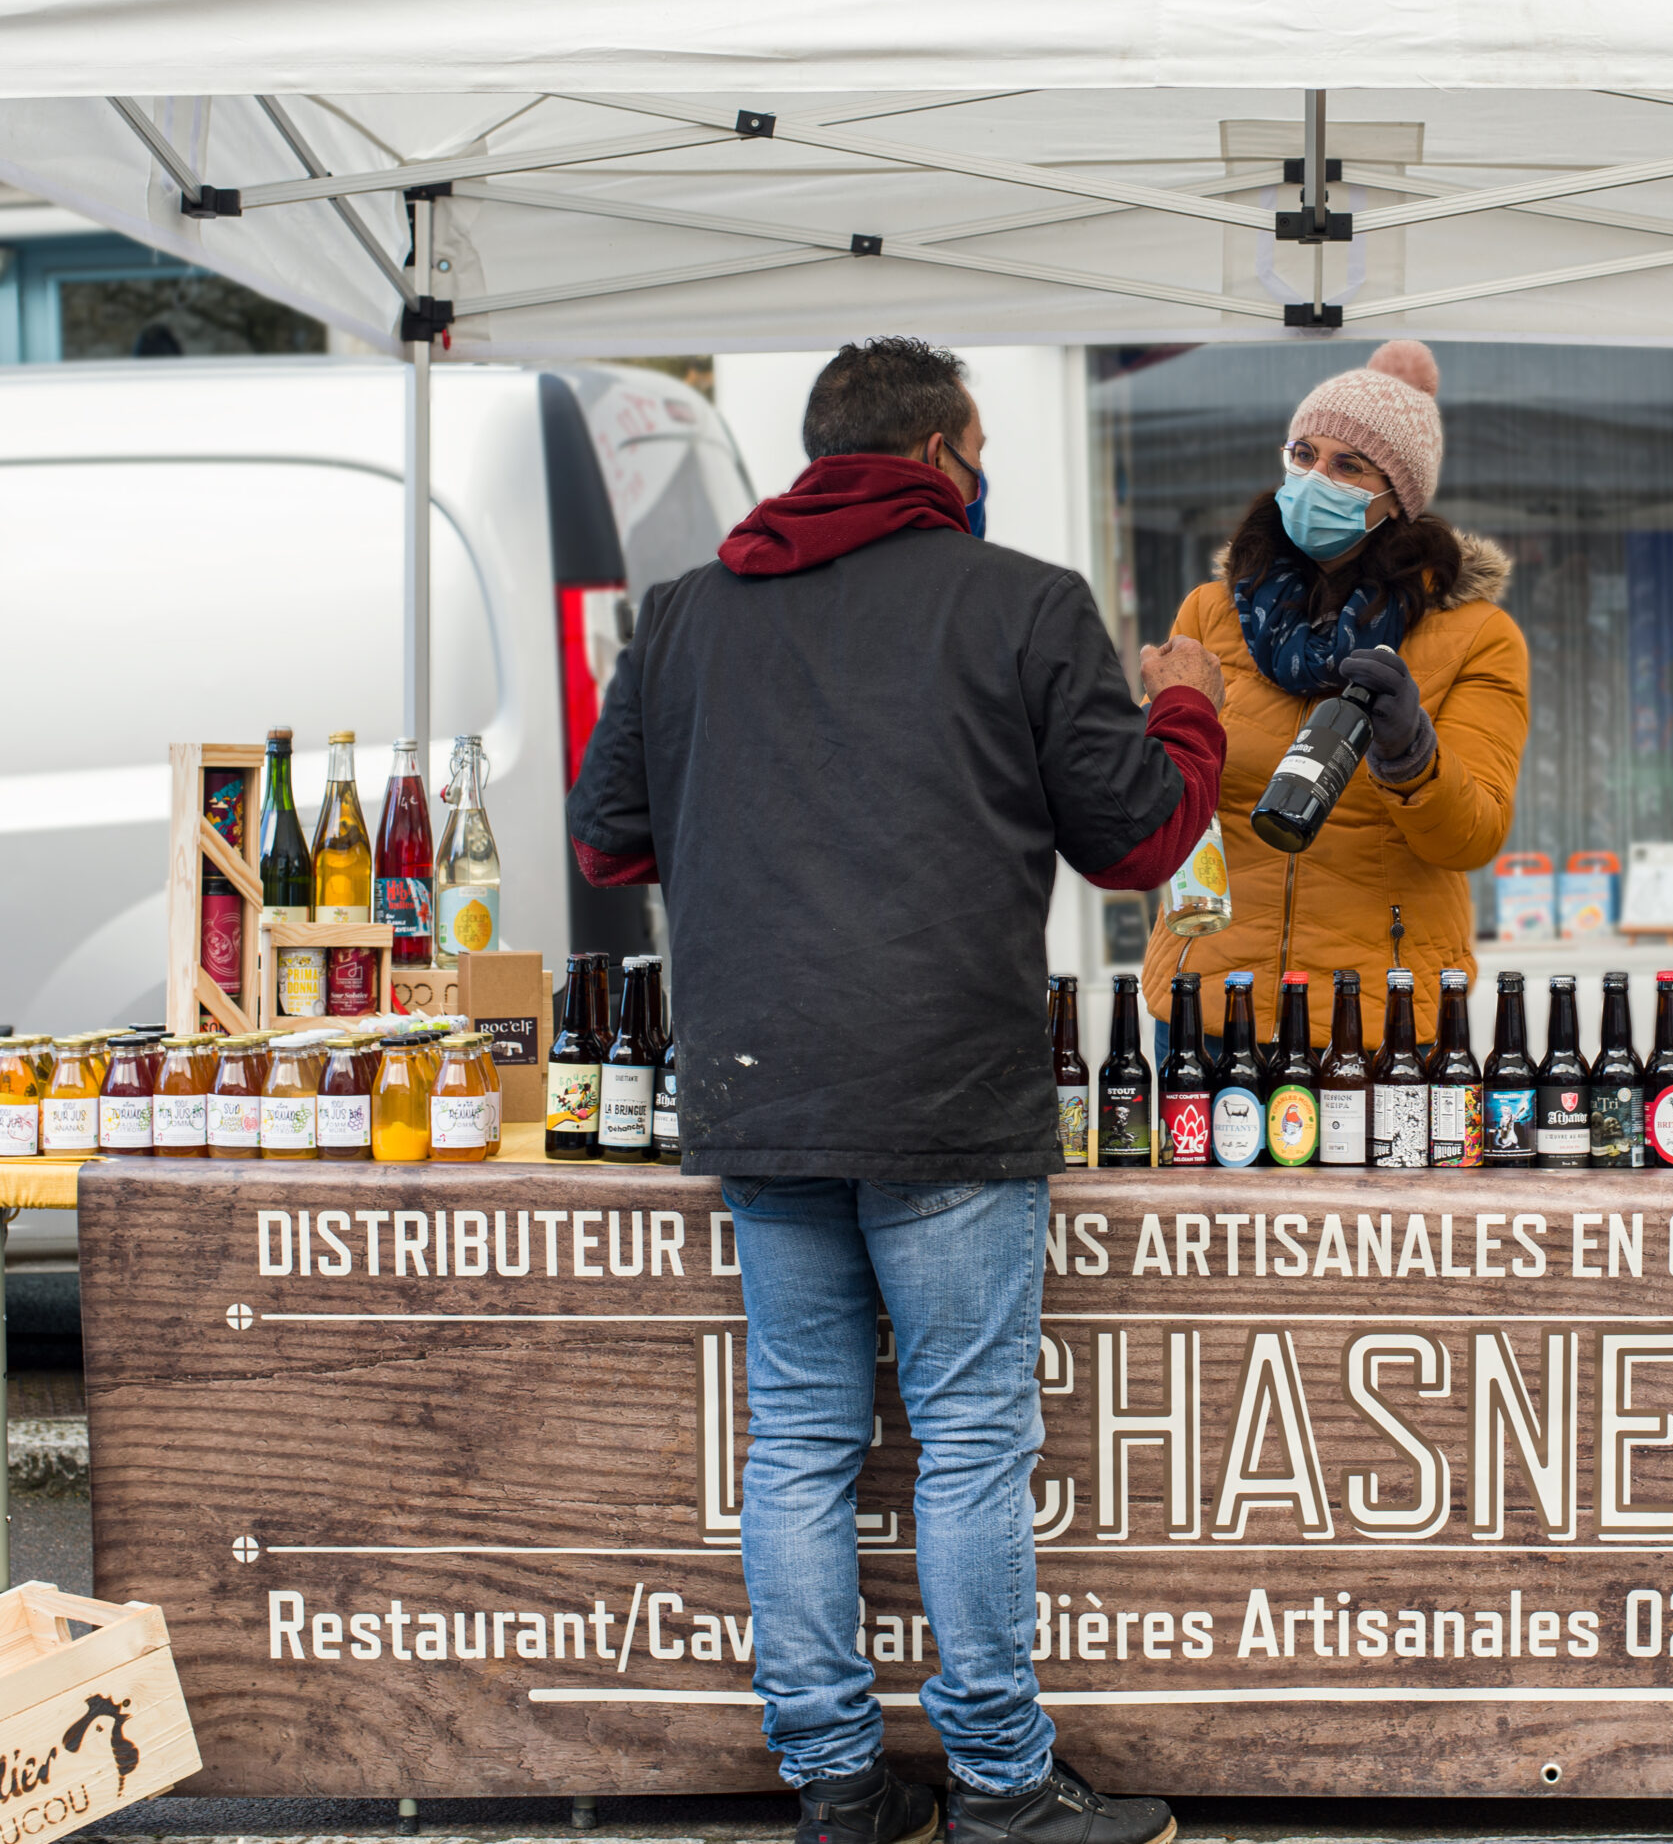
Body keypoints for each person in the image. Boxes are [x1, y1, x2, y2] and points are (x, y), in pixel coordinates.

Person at [568, 337, 1216, 1844]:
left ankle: (838, 1786)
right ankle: (998, 1785)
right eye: (976, 453)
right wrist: (1186, 706)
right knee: (970, 1435)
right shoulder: (1027, 604)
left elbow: (609, 842)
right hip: (947, 1090)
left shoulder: (682, 619)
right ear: (939, 456)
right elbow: (1138, 843)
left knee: (797, 1435)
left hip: (762, 1084)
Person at [1140, 339, 1528, 1049]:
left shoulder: (1474, 635)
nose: (1316, 477)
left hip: (1376, 1015)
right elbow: (1172, 801)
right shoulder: (1213, 611)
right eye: (1304, 454)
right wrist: (1159, 725)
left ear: (1397, 498)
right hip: (1209, 1004)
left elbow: (1474, 835)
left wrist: (1411, 755)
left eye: (1349, 465)